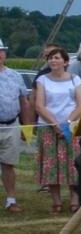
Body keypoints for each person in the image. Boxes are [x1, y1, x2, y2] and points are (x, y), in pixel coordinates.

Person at [33, 46, 81, 215]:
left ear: (65, 61)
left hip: (71, 127)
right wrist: (55, 125)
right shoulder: (42, 80)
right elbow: (39, 105)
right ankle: (56, 202)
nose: (52, 61)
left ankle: (74, 199)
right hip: (48, 127)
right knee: (51, 165)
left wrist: (67, 123)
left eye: (56, 58)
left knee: (73, 164)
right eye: (50, 58)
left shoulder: (74, 79)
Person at [0, 37, 34, 214]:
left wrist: (26, 127)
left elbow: (24, 102)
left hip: (11, 124)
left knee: (8, 164)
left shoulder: (15, 76)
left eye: (1, 51)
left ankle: (11, 200)